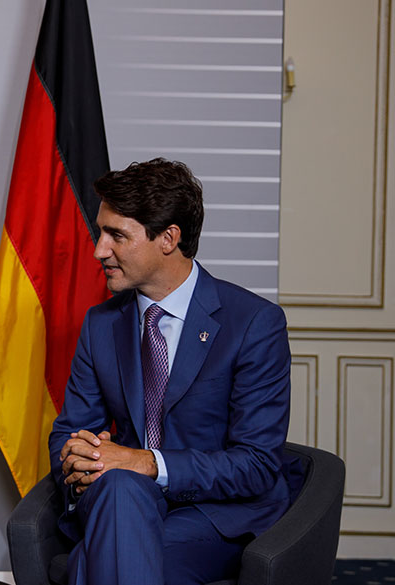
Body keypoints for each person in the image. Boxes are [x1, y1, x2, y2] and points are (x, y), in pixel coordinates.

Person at [48, 159, 291, 585]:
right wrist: (81, 459)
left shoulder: (253, 323)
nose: (98, 249)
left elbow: (256, 463)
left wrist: (146, 462)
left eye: (116, 235)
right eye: (102, 232)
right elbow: (68, 433)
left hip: (214, 515)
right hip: (117, 500)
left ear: (168, 239)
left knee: (97, 557)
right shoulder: (101, 324)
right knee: (122, 493)